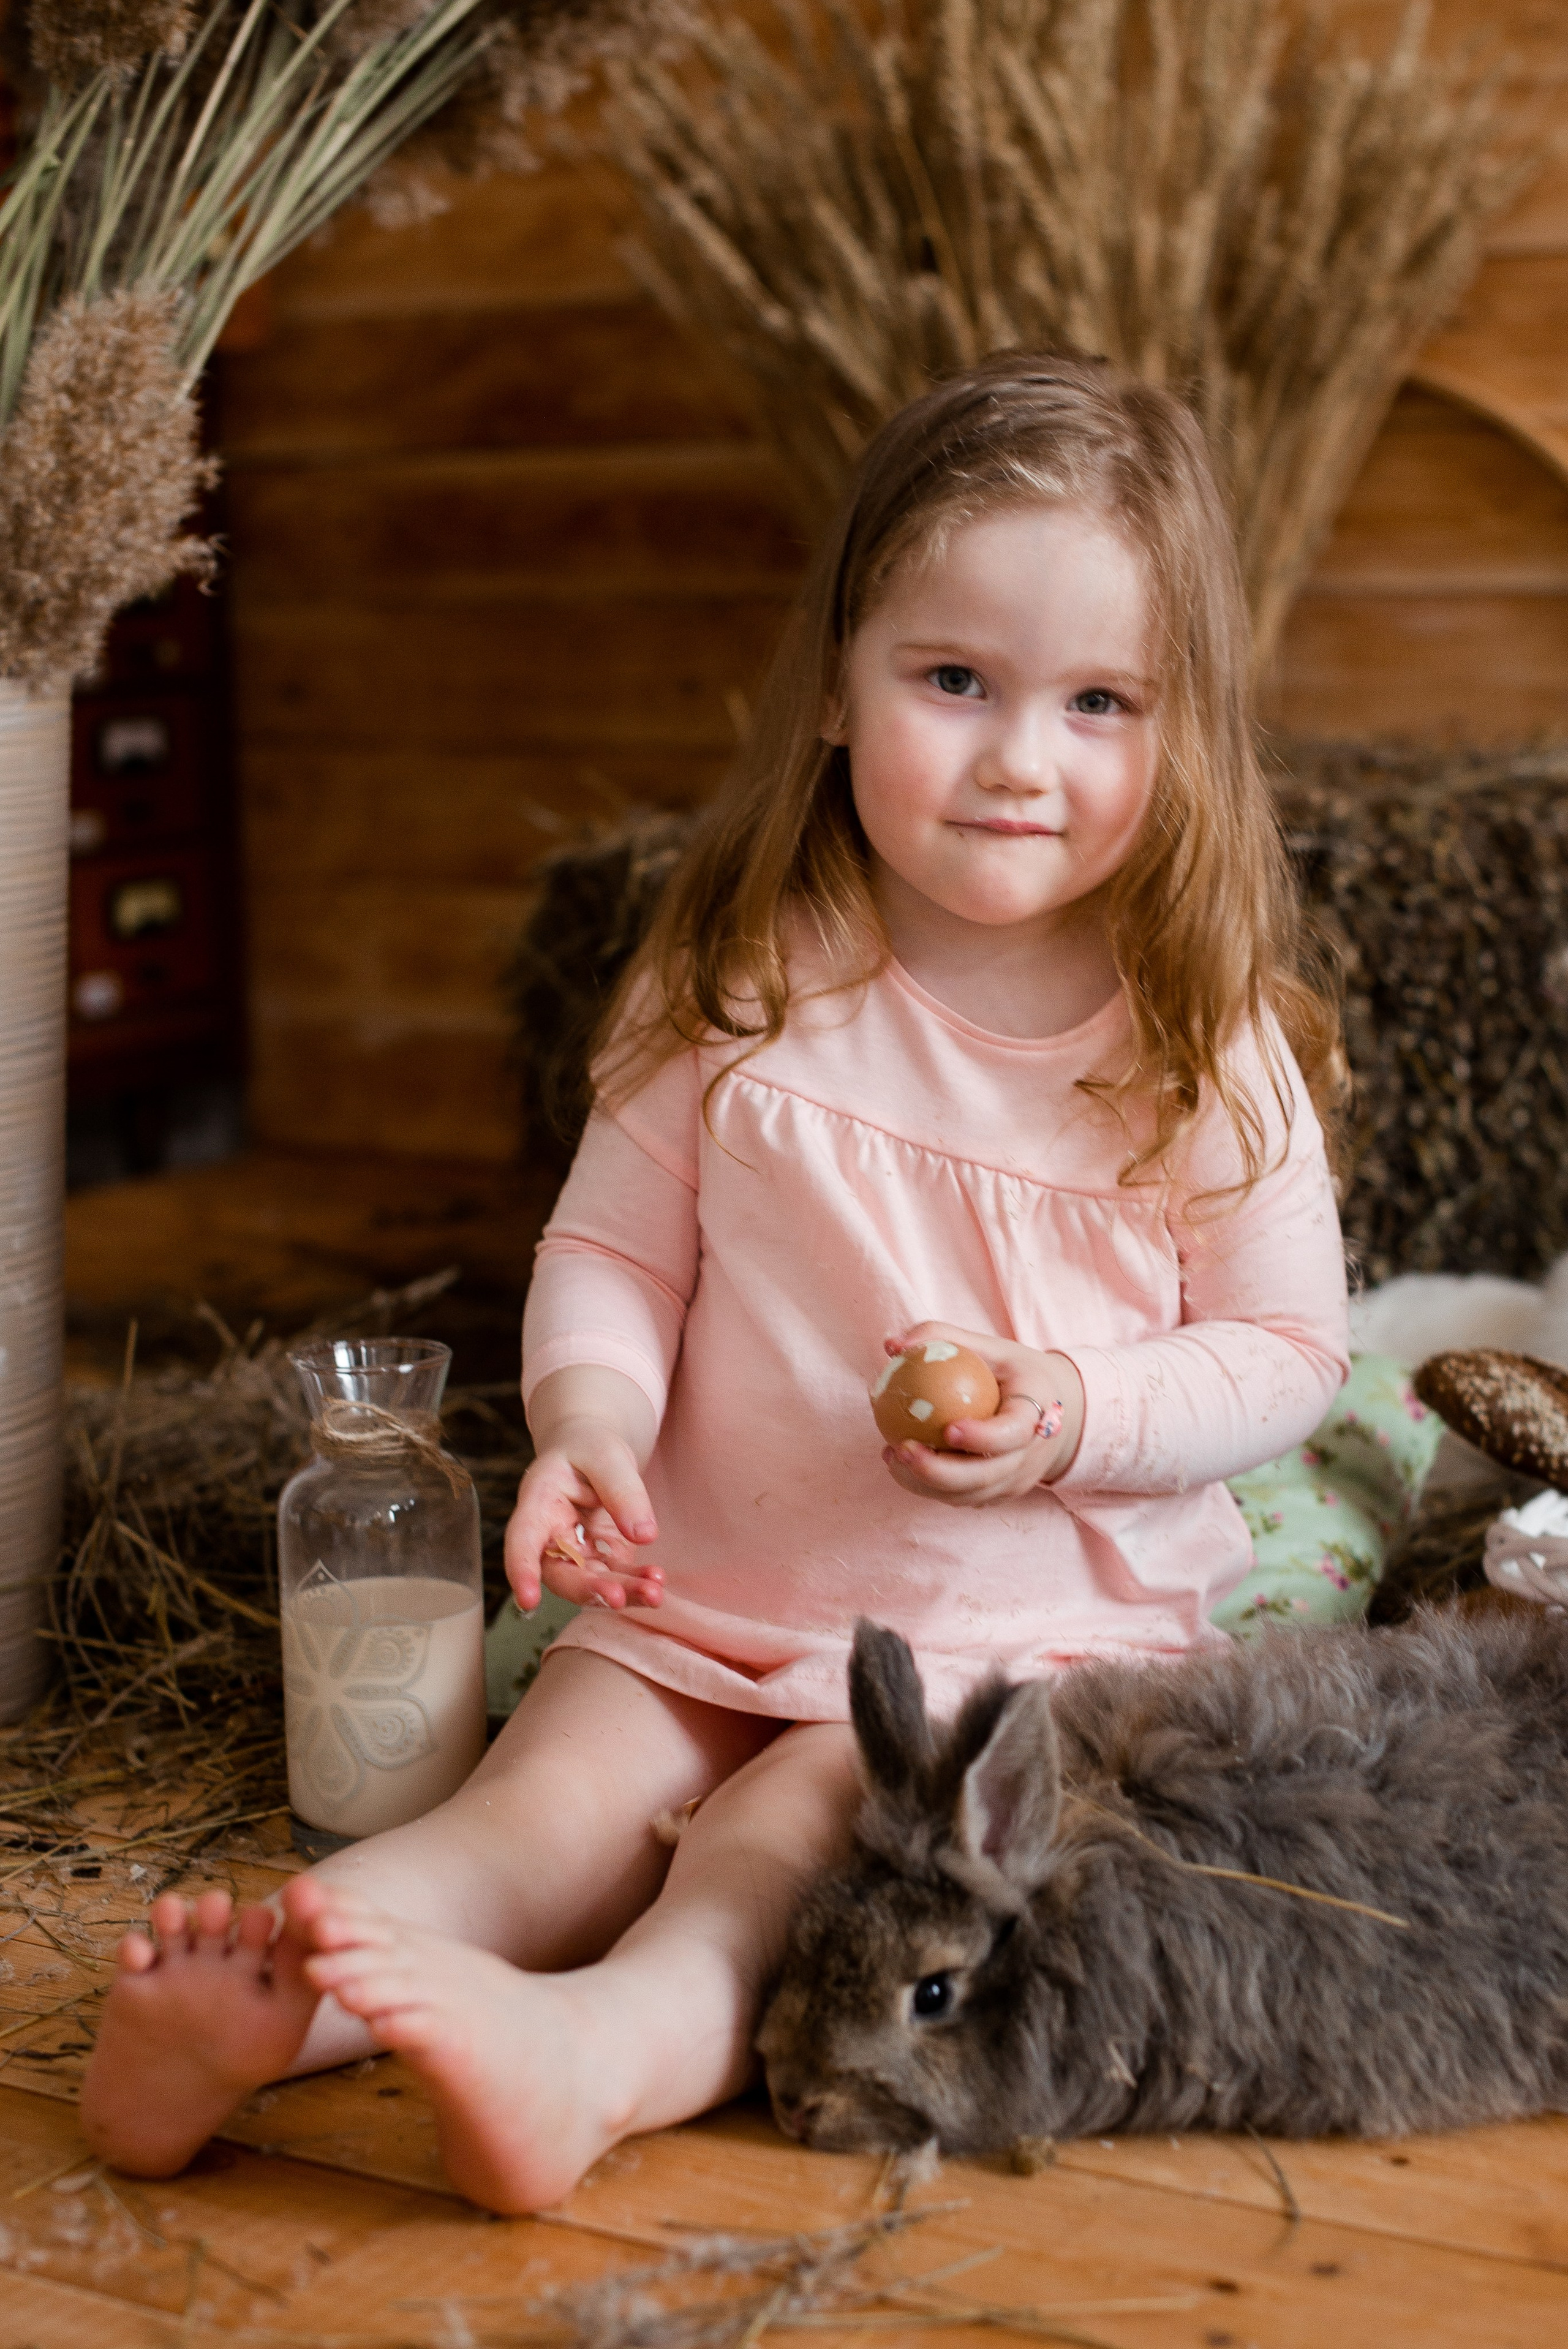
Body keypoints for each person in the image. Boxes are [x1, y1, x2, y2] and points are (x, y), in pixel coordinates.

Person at [79, 352, 1350, 2212]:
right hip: (703, 1590)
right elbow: (610, 1243)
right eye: (954, 681)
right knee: (536, 1807)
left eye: (1100, 702)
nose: (1020, 756)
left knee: (767, 1847)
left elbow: (1289, 1348)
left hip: (982, 1652)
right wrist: (591, 1422)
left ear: (1191, 730)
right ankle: (281, 1983)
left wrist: (1076, 1409)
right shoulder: (748, 973)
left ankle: (588, 2059)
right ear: (839, 680)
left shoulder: (1193, 1036)